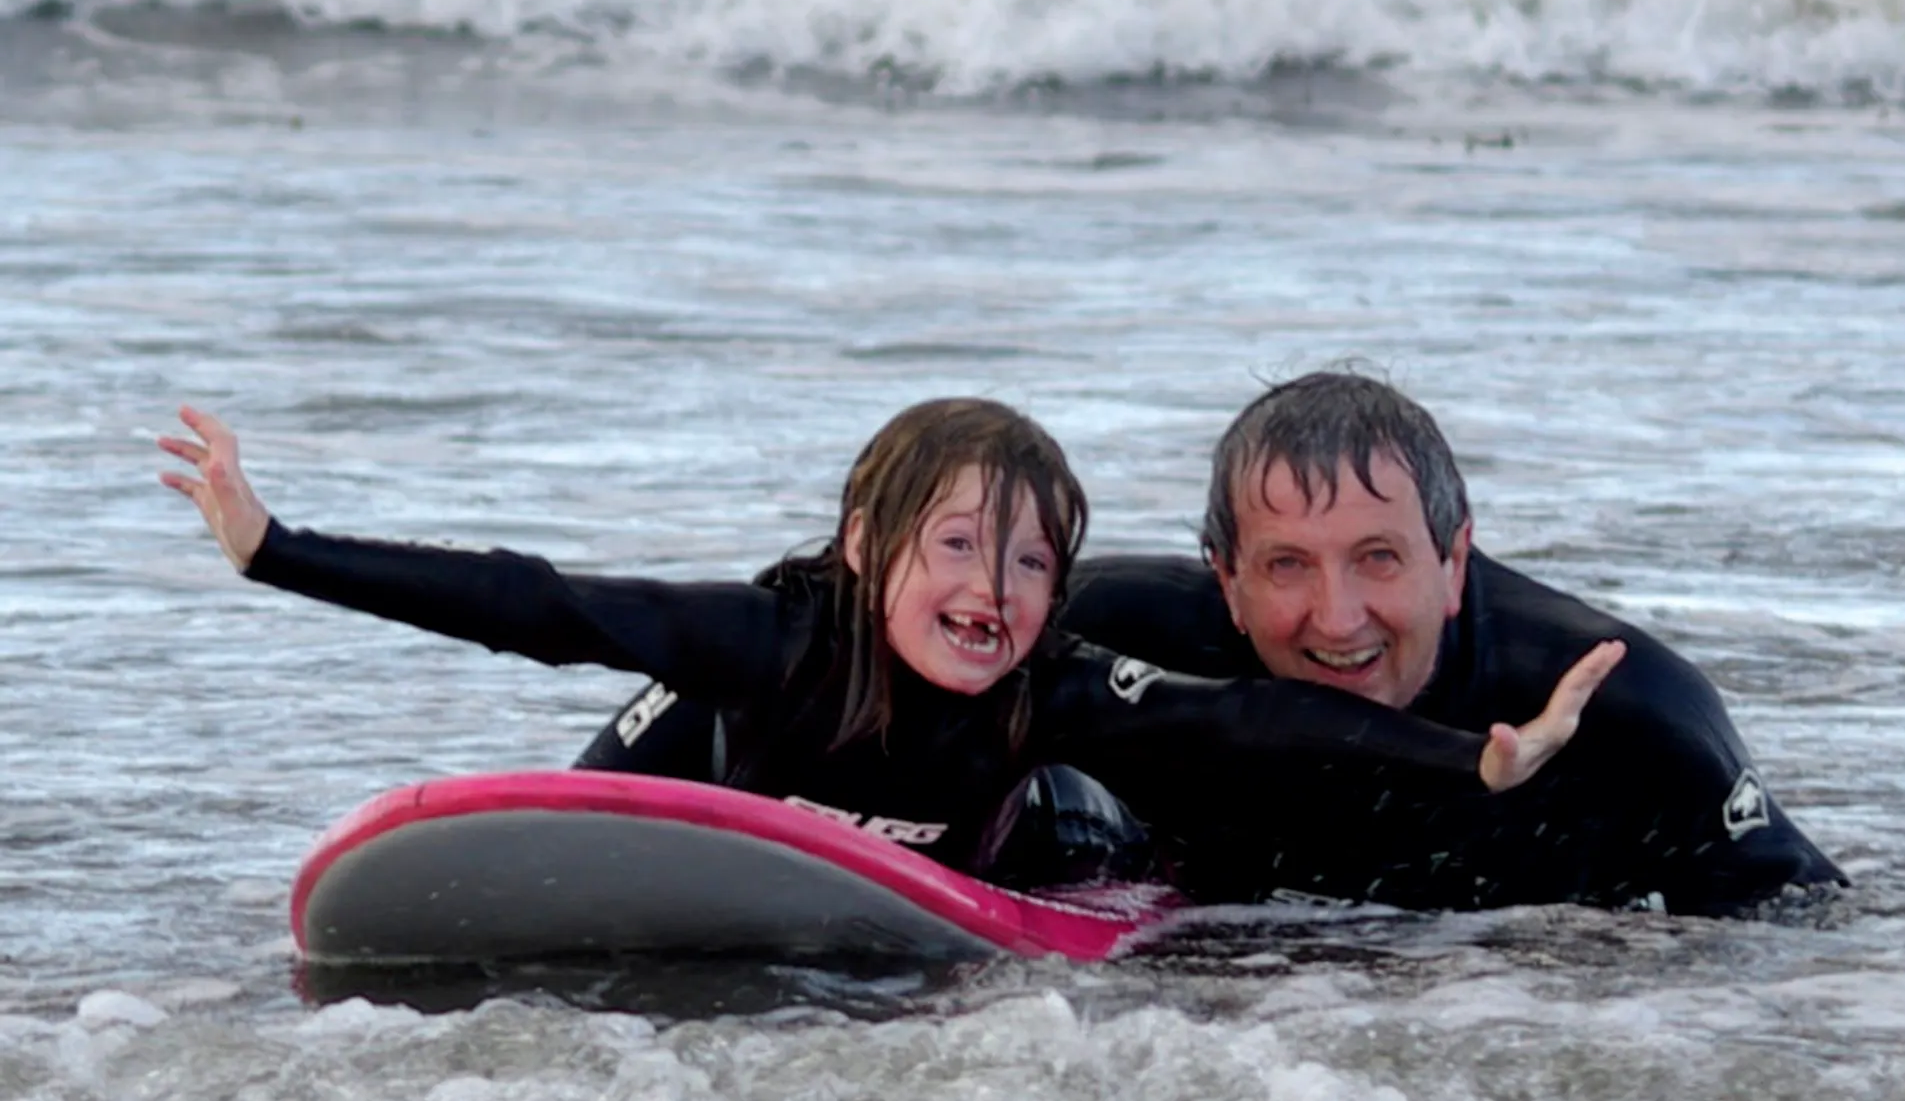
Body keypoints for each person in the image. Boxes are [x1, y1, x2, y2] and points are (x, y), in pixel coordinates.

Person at [156, 398, 1621, 890]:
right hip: (728, 796)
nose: (996, 590)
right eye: (960, 546)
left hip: (969, 856)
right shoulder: (781, 638)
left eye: (1035, 560)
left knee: (1114, 802)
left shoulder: (1051, 692)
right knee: (660, 708)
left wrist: (1475, 762)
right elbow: (535, 603)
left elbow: (1259, 726)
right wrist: (277, 547)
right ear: (868, 549)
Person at [1054, 371, 1845, 915]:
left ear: (1454, 561)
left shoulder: (1628, 718)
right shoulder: (1115, 637)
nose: (1337, 619)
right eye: (1287, 565)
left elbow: (1805, 925)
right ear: (1226, 579)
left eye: (1378, 558)